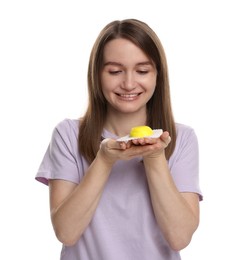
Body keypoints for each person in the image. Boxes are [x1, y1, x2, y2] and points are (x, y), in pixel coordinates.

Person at [36, 18, 202, 260]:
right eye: (115, 71)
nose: (128, 83)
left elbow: (179, 237)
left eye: (142, 71)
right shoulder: (68, 135)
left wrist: (155, 156)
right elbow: (66, 232)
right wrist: (104, 160)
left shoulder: (182, 138)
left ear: (158, 75)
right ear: (97, 75)